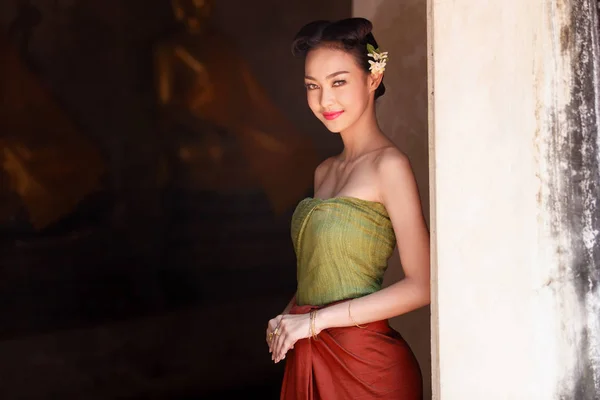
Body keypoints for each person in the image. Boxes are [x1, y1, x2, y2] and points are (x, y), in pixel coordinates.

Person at [265, 18, 430, 399]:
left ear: (373, 78)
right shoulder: (324, 171)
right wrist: (288, 318)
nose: (325, 100)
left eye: (338, 82)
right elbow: (323, 274)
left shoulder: (389, 166)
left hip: (368, 367)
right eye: (313, 86)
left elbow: (423, 286)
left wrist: (315, 322)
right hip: (311, 353)